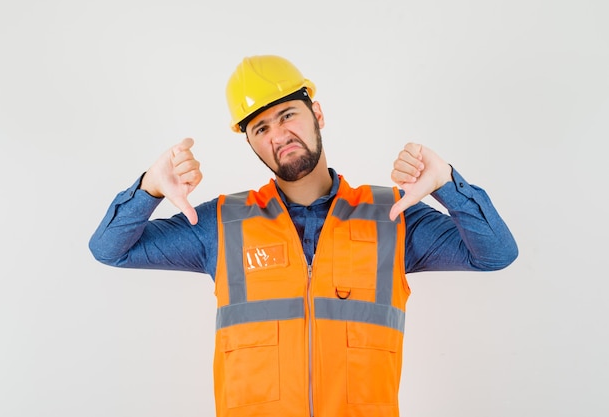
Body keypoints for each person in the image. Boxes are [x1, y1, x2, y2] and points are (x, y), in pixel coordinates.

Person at [89, 55, 518, 417]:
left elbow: (495, 253)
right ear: (252, 145)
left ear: (318, 114)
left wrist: (447, 184)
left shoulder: (395, 216)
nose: (279, 135)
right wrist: (149, 187)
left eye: (287, 114)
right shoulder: (222, 224)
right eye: (260, 129)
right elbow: (110, 250)